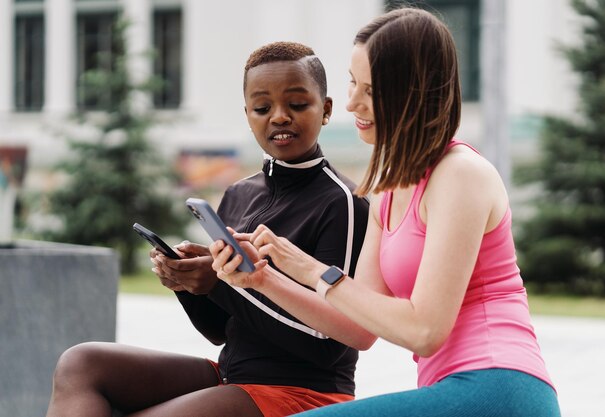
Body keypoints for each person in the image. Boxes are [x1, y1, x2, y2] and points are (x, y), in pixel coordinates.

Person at [210, 8, 561, 417]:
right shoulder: (389, 188)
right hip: (450, 389)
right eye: (353, 83)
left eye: (371, 91)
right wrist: (264, 278)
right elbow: (359, 330)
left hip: (500, 386)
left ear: (414, 92)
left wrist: (311, 271)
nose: (352, 102)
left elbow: (424, 330)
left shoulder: (461, 175)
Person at [45, 41, 369, 417]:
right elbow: (220, 330)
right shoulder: (240, 193)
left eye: (297, 104)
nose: (279, 117)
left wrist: (219, 285)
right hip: (231, 376)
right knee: (81, 363)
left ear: (325, 109)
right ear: (248, 114)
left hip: (303, 390)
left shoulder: (343, 202)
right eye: (263, 108)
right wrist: (189, 285)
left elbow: (329, 345)